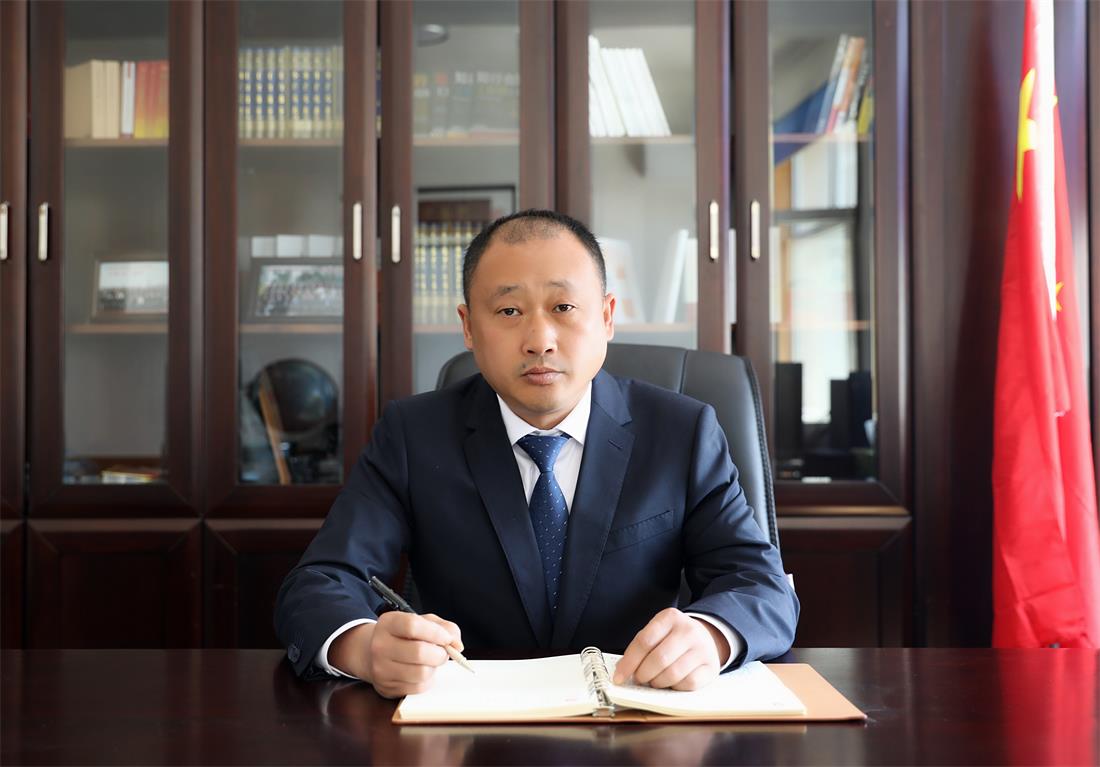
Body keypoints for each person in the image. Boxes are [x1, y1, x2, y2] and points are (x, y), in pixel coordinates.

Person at [274, 209, 798, 698]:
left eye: (563, 307)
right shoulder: (413, 435)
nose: (539, 340)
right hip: (472, 724)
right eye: (509, 310)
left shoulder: (682, 432)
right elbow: (318, 583)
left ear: (607, 317)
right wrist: (363, 647)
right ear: (469, 327)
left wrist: (710, 636)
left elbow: (762, 587)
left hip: (636, 719)